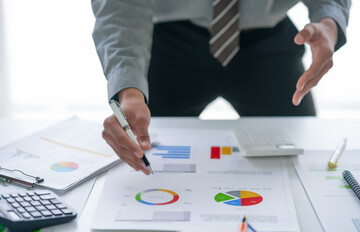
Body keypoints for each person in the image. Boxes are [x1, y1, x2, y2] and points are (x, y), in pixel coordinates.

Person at [91, 0, 351, 175]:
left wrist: (329, 20)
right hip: (171, 40)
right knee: (141, 152)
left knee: (301, 162)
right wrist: (128, 88)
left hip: (269, 37)